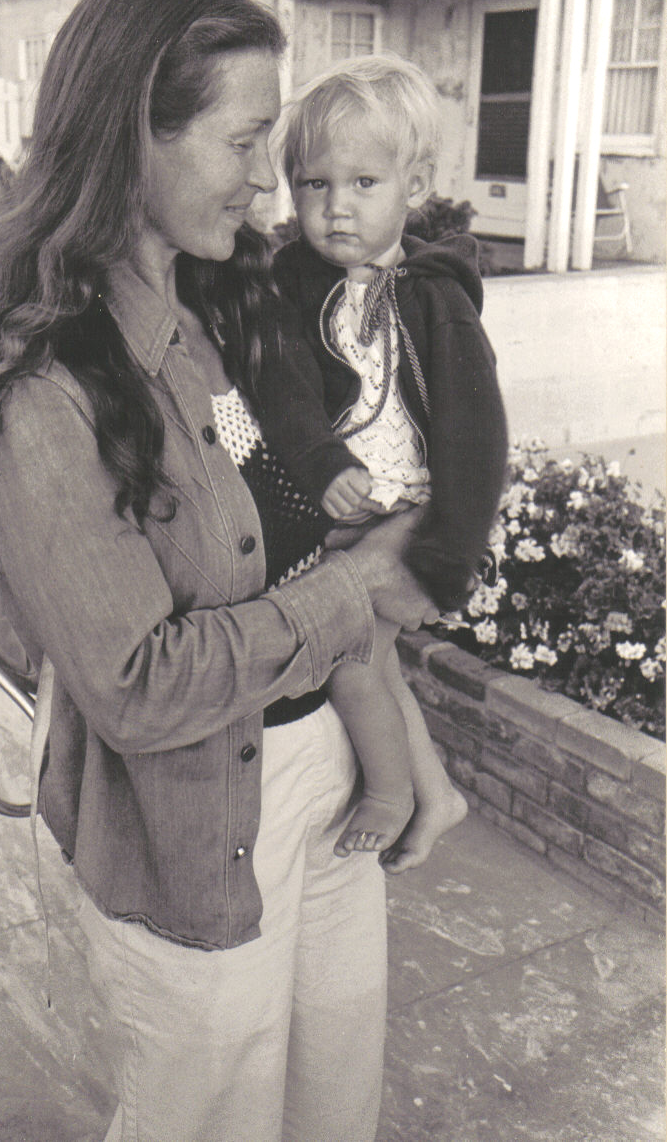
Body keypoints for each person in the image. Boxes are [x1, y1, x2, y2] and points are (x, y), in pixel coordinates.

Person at [0, 0, 442, 1142]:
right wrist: (354, 587)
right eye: (244, 141)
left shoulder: (211, 313)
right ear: (130, 137)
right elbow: (138, 687)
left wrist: (394, 728)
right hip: (194, 830)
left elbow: (277, 523)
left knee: (333, 1103)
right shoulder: (45, 388)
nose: (268, 179)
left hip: (326, 786)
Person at [254, 54, 509, 864]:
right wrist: (322, 464)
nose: (335, 207)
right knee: (376, 662)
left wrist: (444, 560)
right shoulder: (291, 284)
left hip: (406, 511)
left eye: (363, 183)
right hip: (340, 502)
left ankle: (391, 793)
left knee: (351, 660)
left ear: (414, 184)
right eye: (314, 185)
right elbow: (282, 387)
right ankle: (436, 796)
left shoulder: (435, 295)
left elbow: (476, 435)